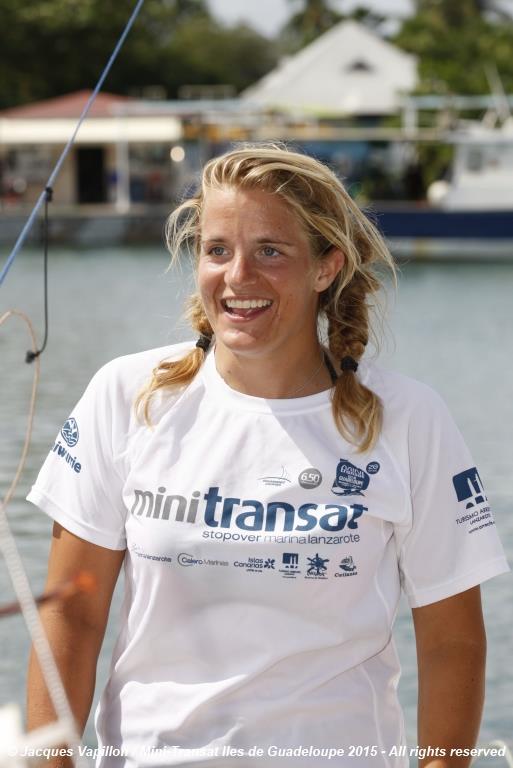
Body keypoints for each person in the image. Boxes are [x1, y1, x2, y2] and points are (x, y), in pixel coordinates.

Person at [26, 144, 509, 768]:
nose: (237, 277)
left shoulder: (408, 419)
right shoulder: (128, 396)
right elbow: (73, 614)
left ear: (326, 267)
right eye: (217, 250)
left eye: (270, 252)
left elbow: (452, 641)